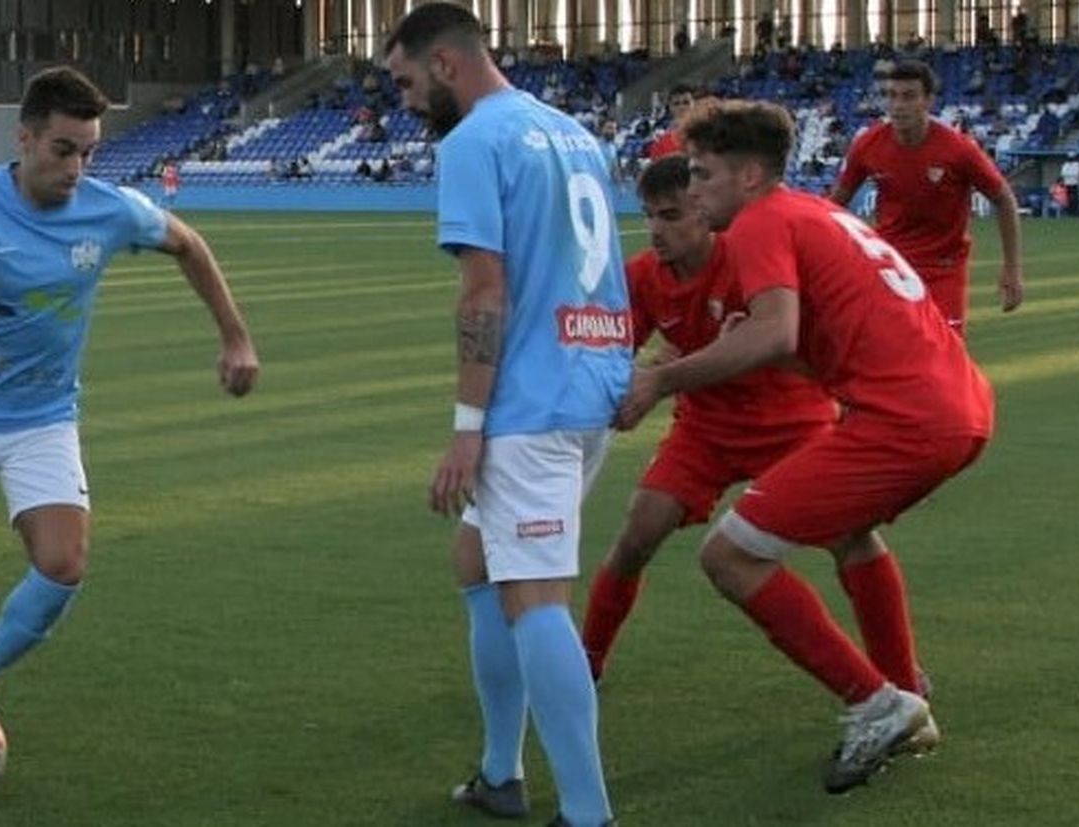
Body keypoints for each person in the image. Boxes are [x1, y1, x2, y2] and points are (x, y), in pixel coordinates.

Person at [0, 66, 260, 749]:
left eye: (89, 151)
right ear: (27, 138)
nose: (77, 166)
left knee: (64, 563)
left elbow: (188, 244)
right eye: (63, 149)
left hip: (42, 419)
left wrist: (236, 335)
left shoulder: (110, 209)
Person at [618, 100, 994, 794]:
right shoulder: (816, 212)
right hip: (959, 405)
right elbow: (805, 346)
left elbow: (775, 335)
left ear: (751, 173)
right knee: (852, 535)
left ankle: (876, 701)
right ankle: (905, 690)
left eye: (702, 175)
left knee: (729, 555)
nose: (692, 190)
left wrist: (660, 380)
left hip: (905, 418)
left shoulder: (762, 220)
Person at [385, 5, 629, 825]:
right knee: (477, 561)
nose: (407, 101)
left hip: (532, 402)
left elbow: (484, 290)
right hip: (591, 379)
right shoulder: (572, 132)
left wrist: (466, 427)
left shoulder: (473, 142)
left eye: (408, 82)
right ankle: (500, 770)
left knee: (534, 594)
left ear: (447, 64)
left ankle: (589, 812)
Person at [580, 156, 838, 682]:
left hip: (792, 420)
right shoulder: (644, 276)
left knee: (852, 538)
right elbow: (611, 356)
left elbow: (803, 348)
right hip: (706, 430)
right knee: (636, 535)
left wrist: (692, 365)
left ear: (703, 209)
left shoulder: (752, 261)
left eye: (670, 215)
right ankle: (586, 663)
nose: (655, 229)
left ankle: (899, 675)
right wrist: (624, 393)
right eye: (649, 215)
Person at [829, 60, 1024, 334]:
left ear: (929, 101)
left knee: (945, 359)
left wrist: (1012, 268)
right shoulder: (868, 145)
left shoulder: (958, 149)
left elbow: (1003, 198)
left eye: (909, 97)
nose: (898, 105)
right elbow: (834, 205)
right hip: (890, 265)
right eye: (892, 96)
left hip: (943, 268)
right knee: (888, 352)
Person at [645, 85, 696, 160]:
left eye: (686, 102)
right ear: (670, 107)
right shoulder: (660, 143)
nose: (682, 107)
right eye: (676, 103)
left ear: (694, 104)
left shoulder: (709, 131)